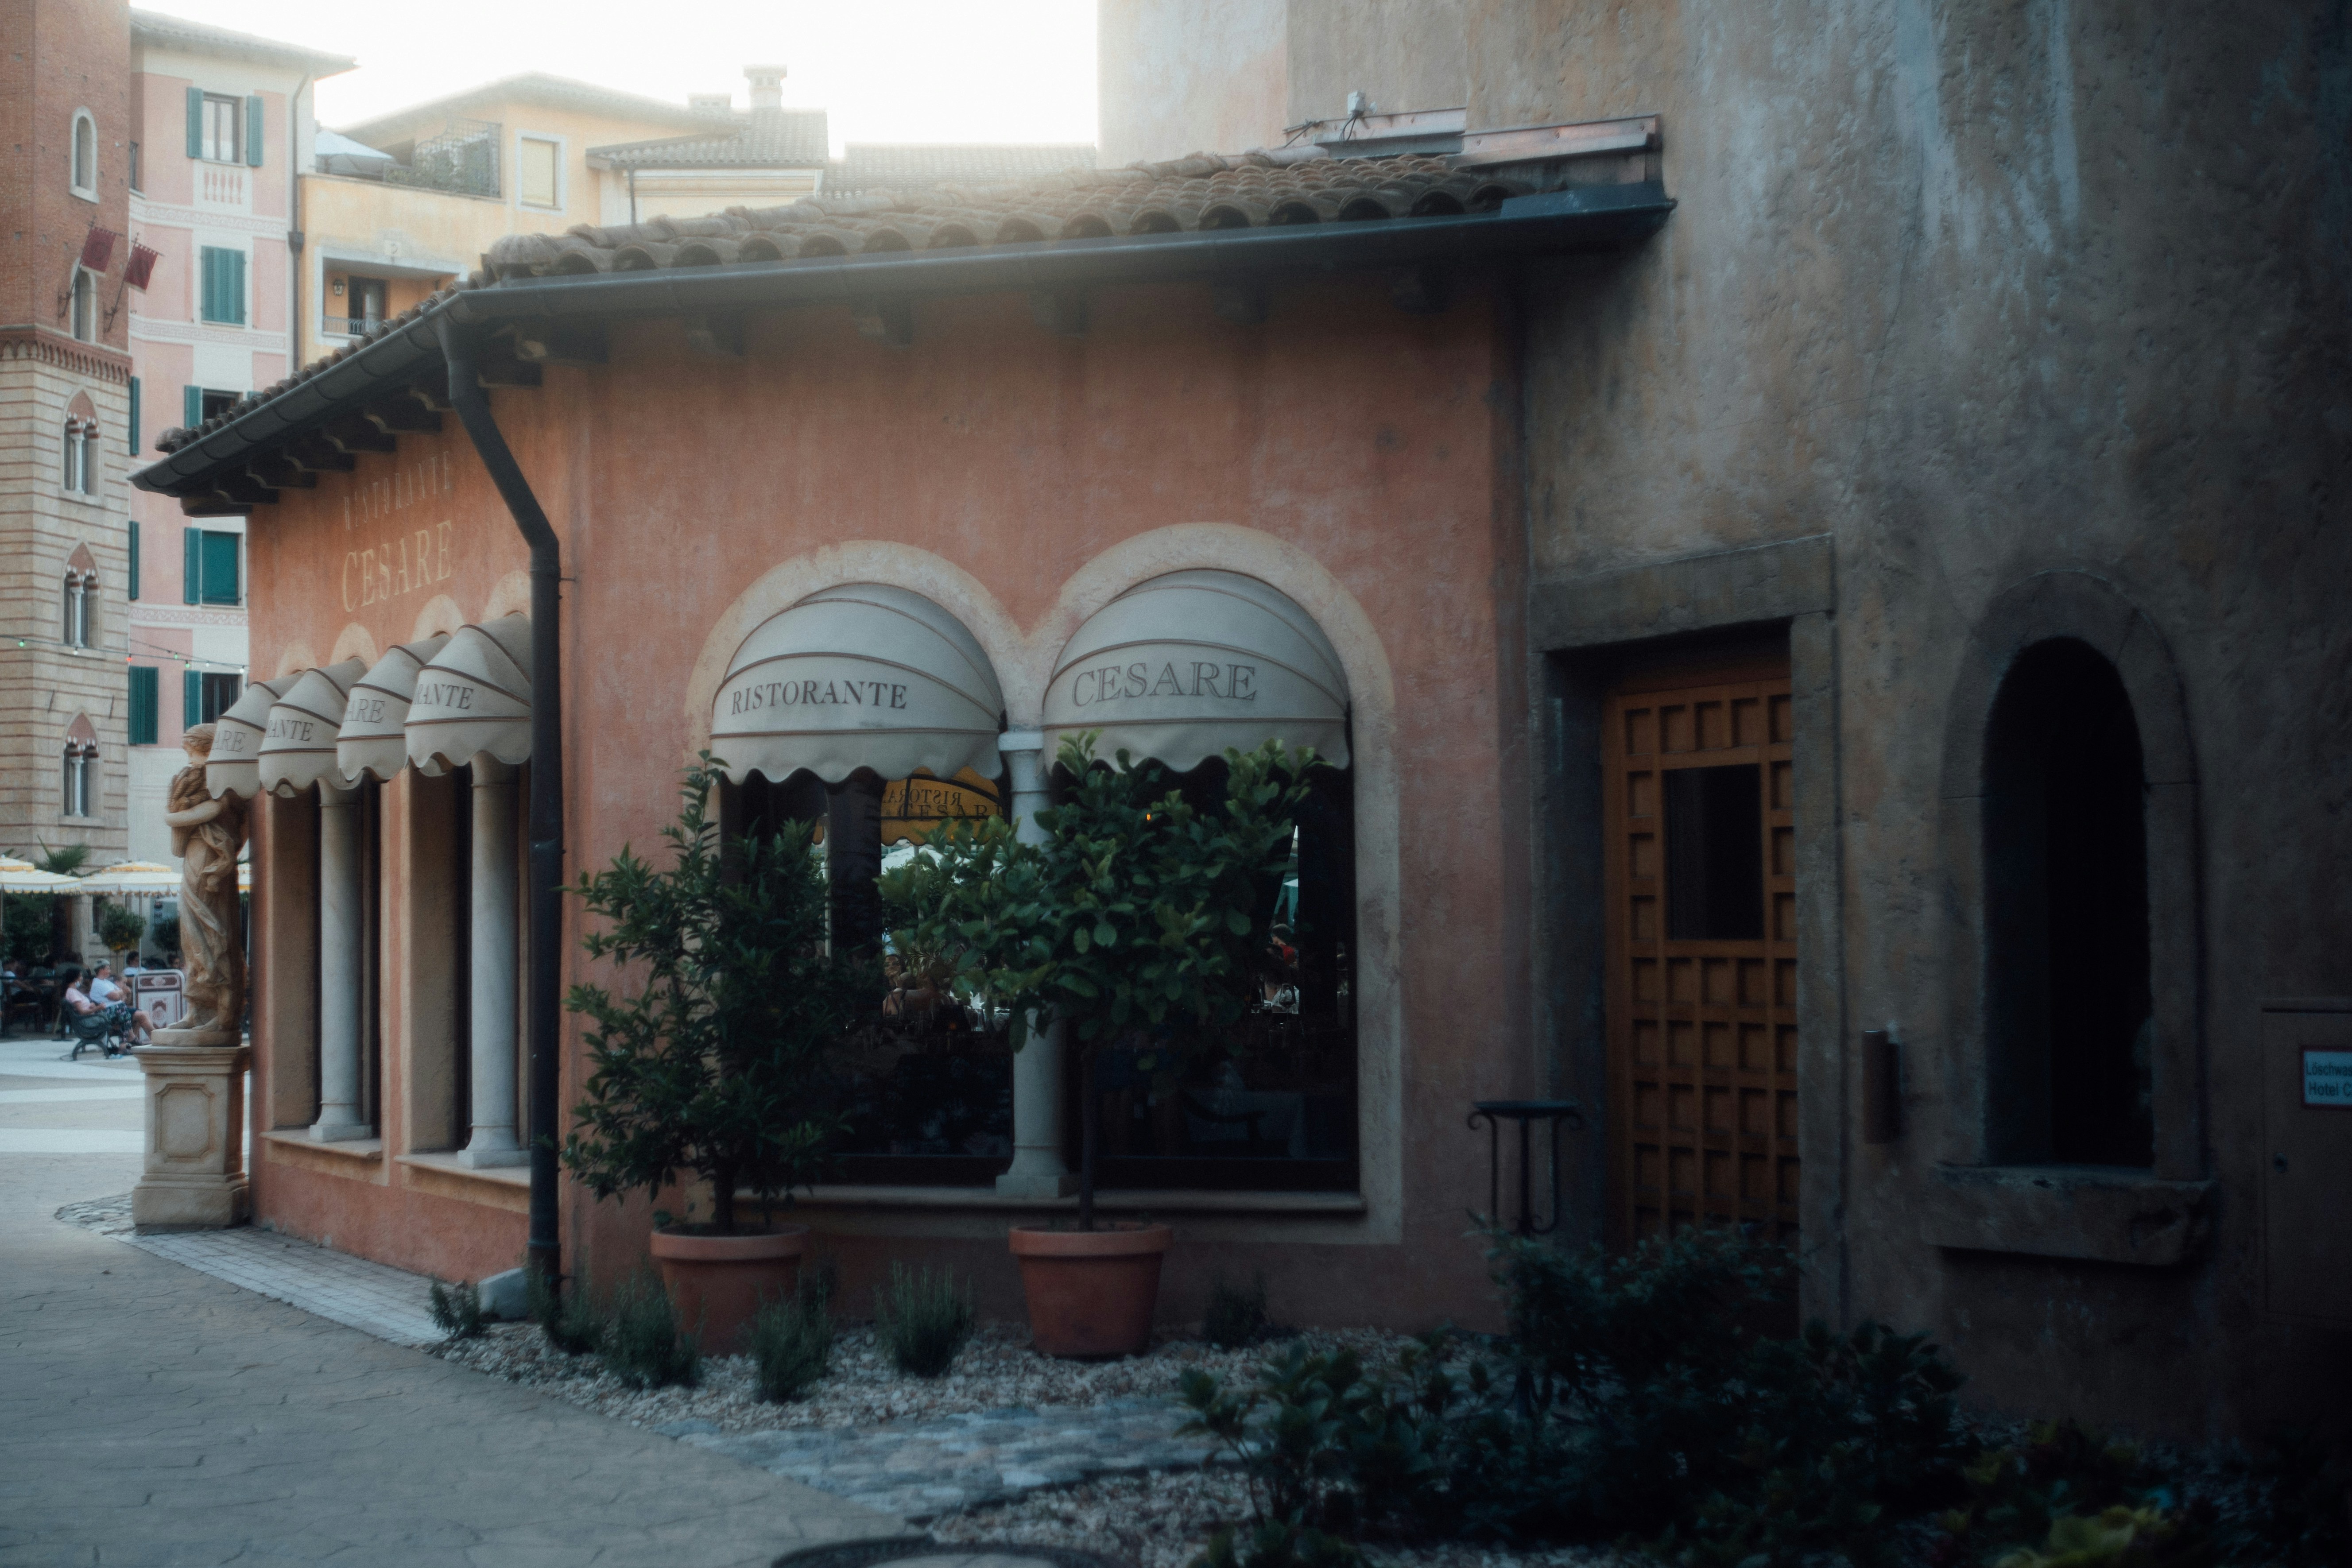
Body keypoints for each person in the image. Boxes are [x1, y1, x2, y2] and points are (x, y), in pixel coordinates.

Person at [86, 960, 151, 1046]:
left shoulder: (106, 982)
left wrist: (121, 993)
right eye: (108, 969)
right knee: (141, 1015)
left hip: (117, 1009)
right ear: (102, 970)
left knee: (143, 1013)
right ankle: (152, 1039)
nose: (110, 971)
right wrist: (121, 992)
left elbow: (122, 998)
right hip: (109, 1012)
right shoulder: (99, 983)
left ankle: (132, 1041)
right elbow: (116, 997)